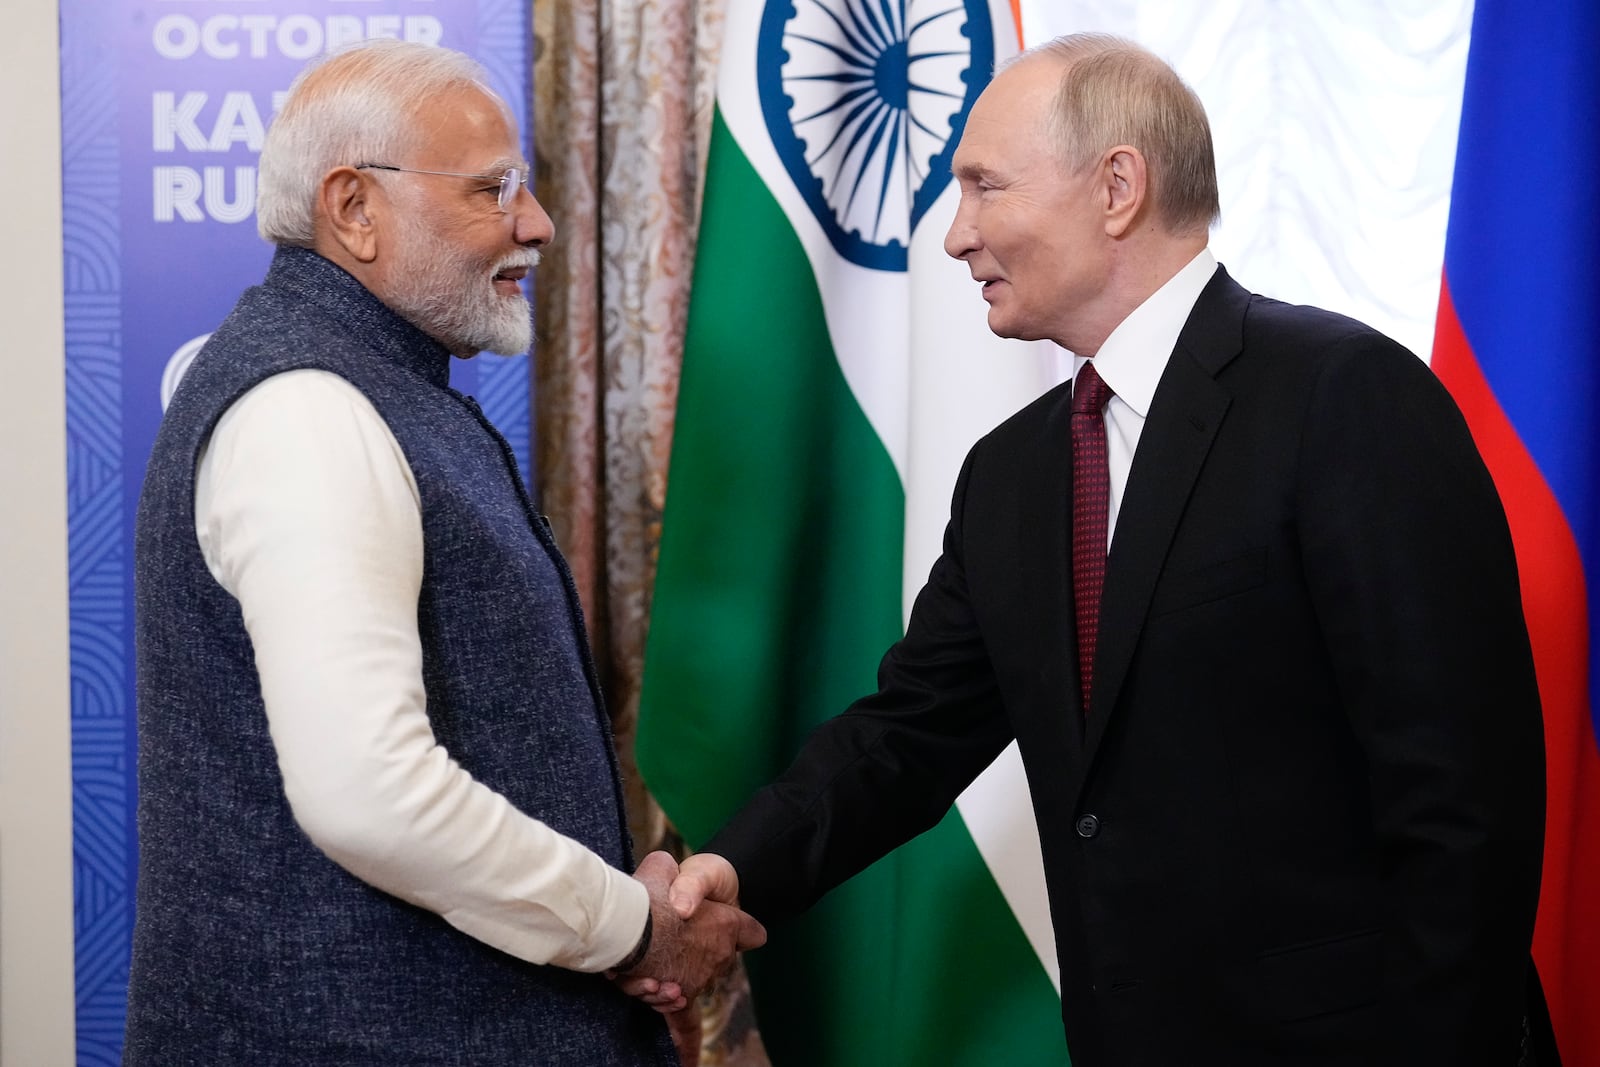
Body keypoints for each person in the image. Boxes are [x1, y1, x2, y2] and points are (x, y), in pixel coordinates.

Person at [635, 33, 1548, 1066]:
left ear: (1116, 186)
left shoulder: (1343, 397)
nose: (954, 236)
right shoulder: (1012, 475)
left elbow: (1464, 800)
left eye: (983, 187)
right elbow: (908, 734)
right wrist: (735, 869)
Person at [125, 39, 761, 1065]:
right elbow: (370, 792)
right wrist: (633, 924)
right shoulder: (307, 410)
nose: (535, 222)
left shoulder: (368, 385)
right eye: (492, 188)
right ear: (354, 208)